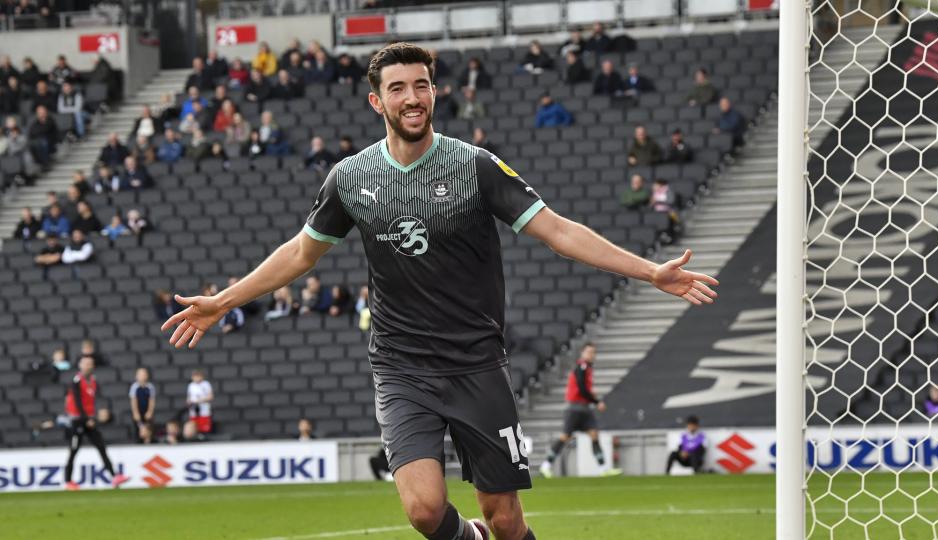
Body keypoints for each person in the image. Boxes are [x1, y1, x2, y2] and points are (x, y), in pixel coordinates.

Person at [161, 42, 718, 540]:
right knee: (426, 511)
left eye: (421, 85)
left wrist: (651, 272)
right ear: (377, 102)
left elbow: (558, 231)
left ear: (435, 91)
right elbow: (301, 253)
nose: (412, 98)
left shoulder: (475, 166)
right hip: (401, 368)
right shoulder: (350, 178)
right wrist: (225, 300)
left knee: (505, 518)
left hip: (476, 364)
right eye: (398, 88)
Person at [539, 343, 619, 478]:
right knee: (565, 437)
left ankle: (603, 468)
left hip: (585, 409)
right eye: (589, 352)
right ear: (583, 353)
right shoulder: (581, 367)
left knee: (594, 435)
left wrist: (593, 399)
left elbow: (585, 389)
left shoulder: (587, 368)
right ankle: (546, 465)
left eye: (593, 352)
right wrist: (596, 401)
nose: (591, 355)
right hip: (575, 408)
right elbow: (582, 389)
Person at [63, 356, 130, 490]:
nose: (88, 366)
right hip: (78, 421)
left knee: (101, 447)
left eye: (90, 364)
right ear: (80, 365)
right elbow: (77, 402)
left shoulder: (93, 381)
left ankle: (115, 477)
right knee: (74, 450)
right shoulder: (76, 381)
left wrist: (93, 417)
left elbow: (93, 401)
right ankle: (68, 481)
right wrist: (86, 419)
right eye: (86, 363)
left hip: (88, 419)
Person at [128, 367, 156, 441]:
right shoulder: (134, 387)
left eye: (144, 374)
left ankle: (149, 440)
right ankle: (138, 441)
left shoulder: (150, 387)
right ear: (136, 376)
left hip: (147, 410)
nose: (142, 376)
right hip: (138, 410)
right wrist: (135, 412)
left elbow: (152, 400)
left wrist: (150, 411)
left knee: (149, 427)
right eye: (140, 374)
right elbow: (133, 400)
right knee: (138, 428)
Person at [186, 369, 214, 434]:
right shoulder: (191, 385)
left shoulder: (206, 384)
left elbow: (210, 396)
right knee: (194, 422)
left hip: (203, 408)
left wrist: (201, 400)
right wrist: (189, 402)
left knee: (203, 423)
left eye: (198, 376)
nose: (196, 378)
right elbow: (189, 396)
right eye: (195, 376)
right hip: (194, 408)